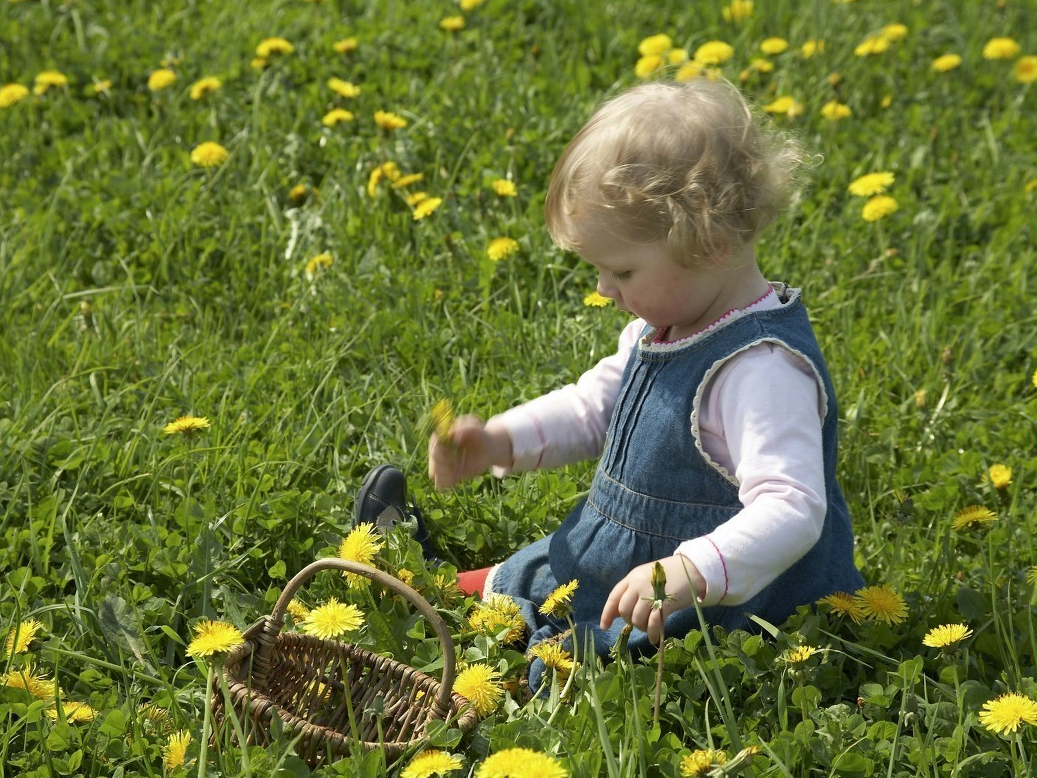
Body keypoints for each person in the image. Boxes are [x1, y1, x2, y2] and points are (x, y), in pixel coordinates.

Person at [362, 79, 863, 690]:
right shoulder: (666, 325)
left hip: (710, 602)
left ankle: (464, 622)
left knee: (580, 660)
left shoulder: (761, 368)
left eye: (621, 270)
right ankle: (432, 587)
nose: (604, 288)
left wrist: (694, 569)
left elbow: (793, 507)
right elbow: (596, 406)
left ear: (709, 244)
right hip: (621, 561)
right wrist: (501, 441)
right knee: (540, 577)